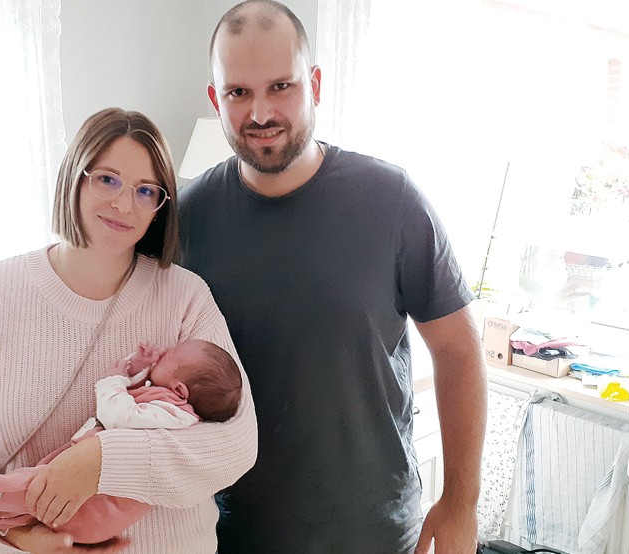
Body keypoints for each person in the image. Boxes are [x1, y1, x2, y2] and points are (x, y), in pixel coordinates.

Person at [177, 2, 487, 553]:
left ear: (314, 83)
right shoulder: (186, 217)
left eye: (281, 86)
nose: (261, 112)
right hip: (231, 535)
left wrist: (460, 504)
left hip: (372, 534)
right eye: (238, 92)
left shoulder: (391, 200)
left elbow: (460, 351)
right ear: (215, 99)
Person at [0, 107, 258, 554]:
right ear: (74, 176)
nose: (123, 204)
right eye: (107, 179)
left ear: (160, 206)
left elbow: (235, 445)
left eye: (145, 191)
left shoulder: (185, 296)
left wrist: (102, 460)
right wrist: (21, 539)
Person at [0, 339, 243, 546]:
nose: (163, 351)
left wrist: (112, 380)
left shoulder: (173, 414)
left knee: (34, 488)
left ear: (180, 389)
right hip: (88, 500)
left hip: (97, 507)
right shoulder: (170, 406)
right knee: (32, 496)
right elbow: (140, 398)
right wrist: (140, 366)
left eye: (169, 356)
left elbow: (118, 414)